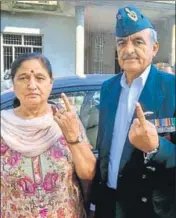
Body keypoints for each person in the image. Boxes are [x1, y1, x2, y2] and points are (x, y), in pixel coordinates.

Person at [91, 5, 176, 218]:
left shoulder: (171, 88)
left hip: (149, 208)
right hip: (108, 204)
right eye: (122, 43)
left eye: (138, 42)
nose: (128, 49)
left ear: (154, 48)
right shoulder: (108, 88)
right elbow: (105, 147)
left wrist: (156, 147)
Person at [1, 53, 96, 218]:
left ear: (51, 83)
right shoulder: (3, 125)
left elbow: (88, 173)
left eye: (39, 78)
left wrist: (73, 138)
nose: (32, 85)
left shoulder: (66, 121)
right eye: (23, 78)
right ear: (13, 85)